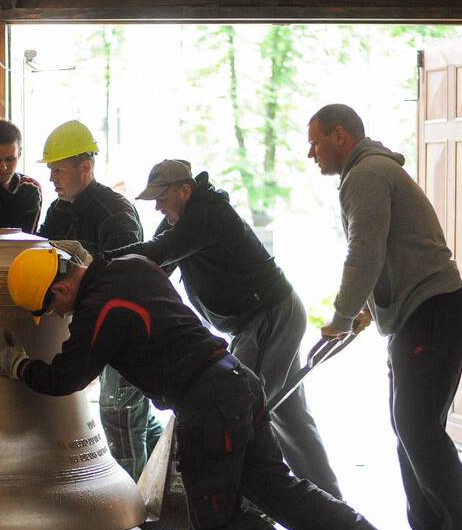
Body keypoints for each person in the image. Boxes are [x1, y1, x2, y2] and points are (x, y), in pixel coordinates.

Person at [0, 246, 417, 530]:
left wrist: (17, 365)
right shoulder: (132, 266)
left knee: (214, 523)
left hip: (208, 405)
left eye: (51, 305)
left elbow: (63, 378)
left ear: (63, 286)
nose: (56, 313)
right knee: (279, 489)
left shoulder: (99, 311)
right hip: (237, 382)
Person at [306, 103, 462, 530]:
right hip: (420, 312)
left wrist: (342, 316)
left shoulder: (366, 174)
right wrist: (368, 309)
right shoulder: (371, 171)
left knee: (418, 426)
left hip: (433, 310)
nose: (311, 153)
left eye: (316, 142)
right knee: (408, 425)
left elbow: (364, 250)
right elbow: (388, 250)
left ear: (340, 135)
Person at [103, 159, 351, 500]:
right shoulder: (180, 221)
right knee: (289, 416)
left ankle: (250, 508)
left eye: (162, 197)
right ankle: (329, 504)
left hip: (268, 316)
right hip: (260, 320)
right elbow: (154, 267)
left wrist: (96, 264)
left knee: (241, 409)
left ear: (184, 191)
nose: (158, 206)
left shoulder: (207, 215)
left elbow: (156, 252)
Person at [36, 120, 162, 480]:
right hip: (94, 322)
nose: (52, 179)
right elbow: (40, 253)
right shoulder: (60, 210)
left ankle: (132, 516)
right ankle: (163, 491)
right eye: (50, 171)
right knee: (135, 418)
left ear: (85, 168)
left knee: (120, 414)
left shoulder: (115, 214)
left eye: (58, 170)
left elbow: (120, 283)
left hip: (125, 329)